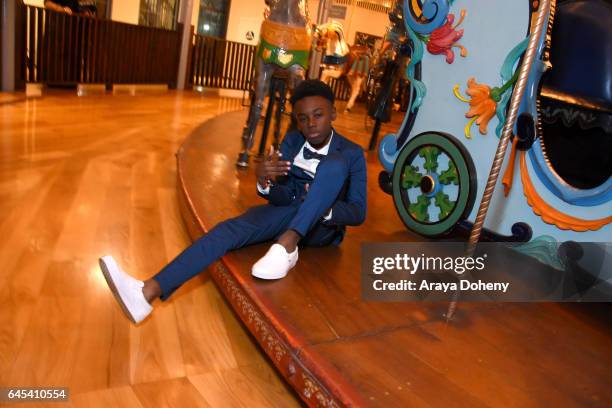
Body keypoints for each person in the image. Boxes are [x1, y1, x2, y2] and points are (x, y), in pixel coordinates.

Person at [99, 80, 367, 324]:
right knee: (229, 229)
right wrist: (265, 181)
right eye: (303, 118)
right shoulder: (294, 140)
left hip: (321, 228)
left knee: (333, 166)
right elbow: (281, 192)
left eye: (318, 115)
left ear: (333, 113)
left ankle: (287, 245)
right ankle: (146, 292)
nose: (311, 123)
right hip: (288, 210)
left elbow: (357, 212)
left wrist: (320, 206)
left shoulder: (351, 154)